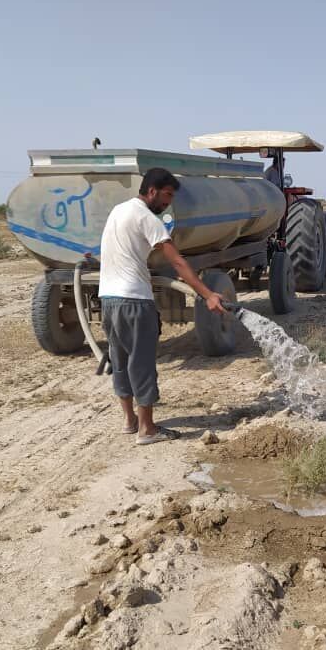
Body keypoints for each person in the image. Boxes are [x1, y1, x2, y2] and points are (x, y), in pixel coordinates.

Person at [98, 167, 226, 445]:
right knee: (141, 364)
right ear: (152, 190)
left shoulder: (118, 211)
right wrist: (208, 295)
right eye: (167, 195)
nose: (168, 203)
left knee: (119, 362)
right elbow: (178, 262)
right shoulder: (148, 218)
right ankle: (147, 430)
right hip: (133, 301)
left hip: (108, 299)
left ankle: (130, 421)